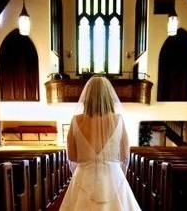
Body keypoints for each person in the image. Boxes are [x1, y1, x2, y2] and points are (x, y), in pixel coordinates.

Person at [59, 76, 141, 211]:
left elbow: (72, 157)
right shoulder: (118, 120)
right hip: (112, 178)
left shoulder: (75, 121)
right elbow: (125, 155)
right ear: (109, 96)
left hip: (83, 178)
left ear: (87, 96)